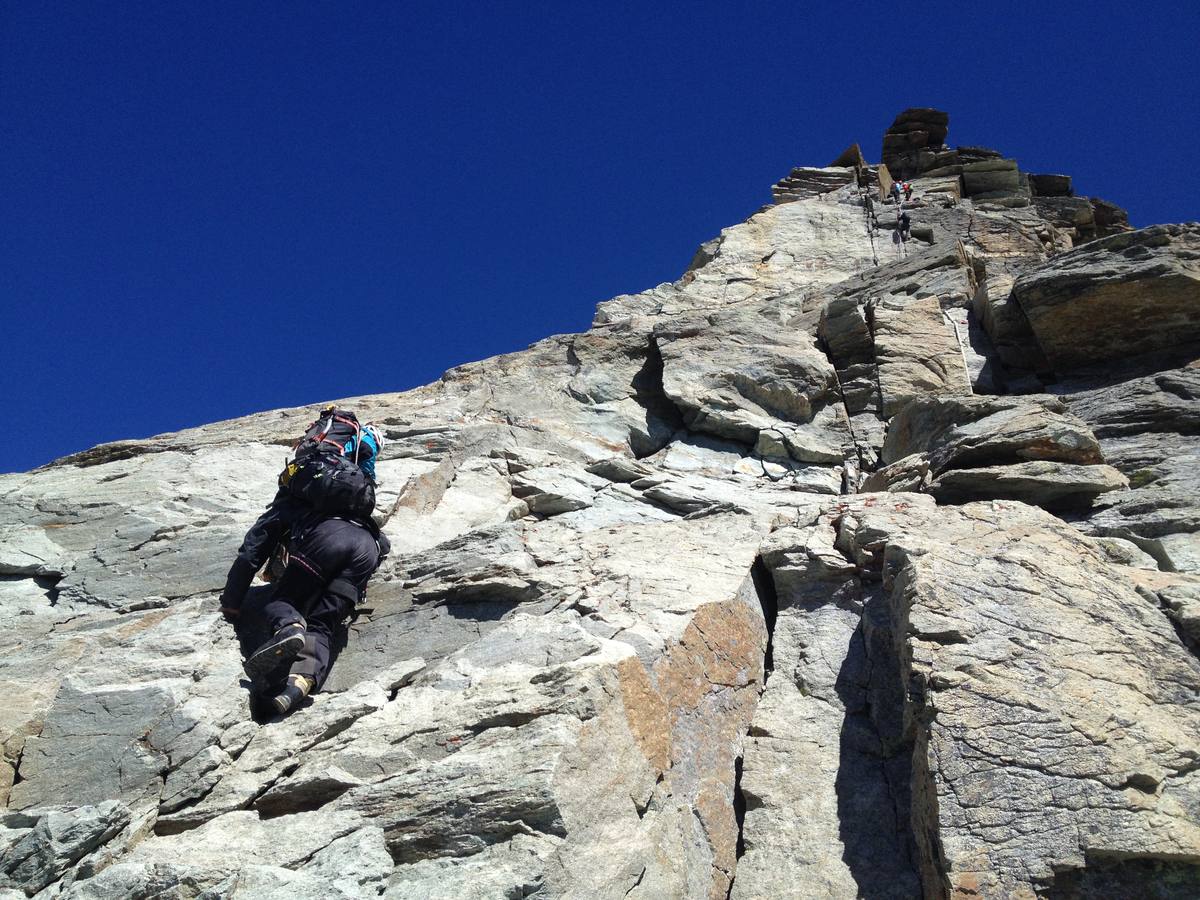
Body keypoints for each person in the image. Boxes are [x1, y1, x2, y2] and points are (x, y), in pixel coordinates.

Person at [244, 508, 390, 713]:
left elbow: (255, 550)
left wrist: (232, 600)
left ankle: (289, 627)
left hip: (328, 538)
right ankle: (297, 685)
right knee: (321, 626)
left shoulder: (310, 509)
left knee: (282, 601)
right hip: (366, 552)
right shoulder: (373, 532)